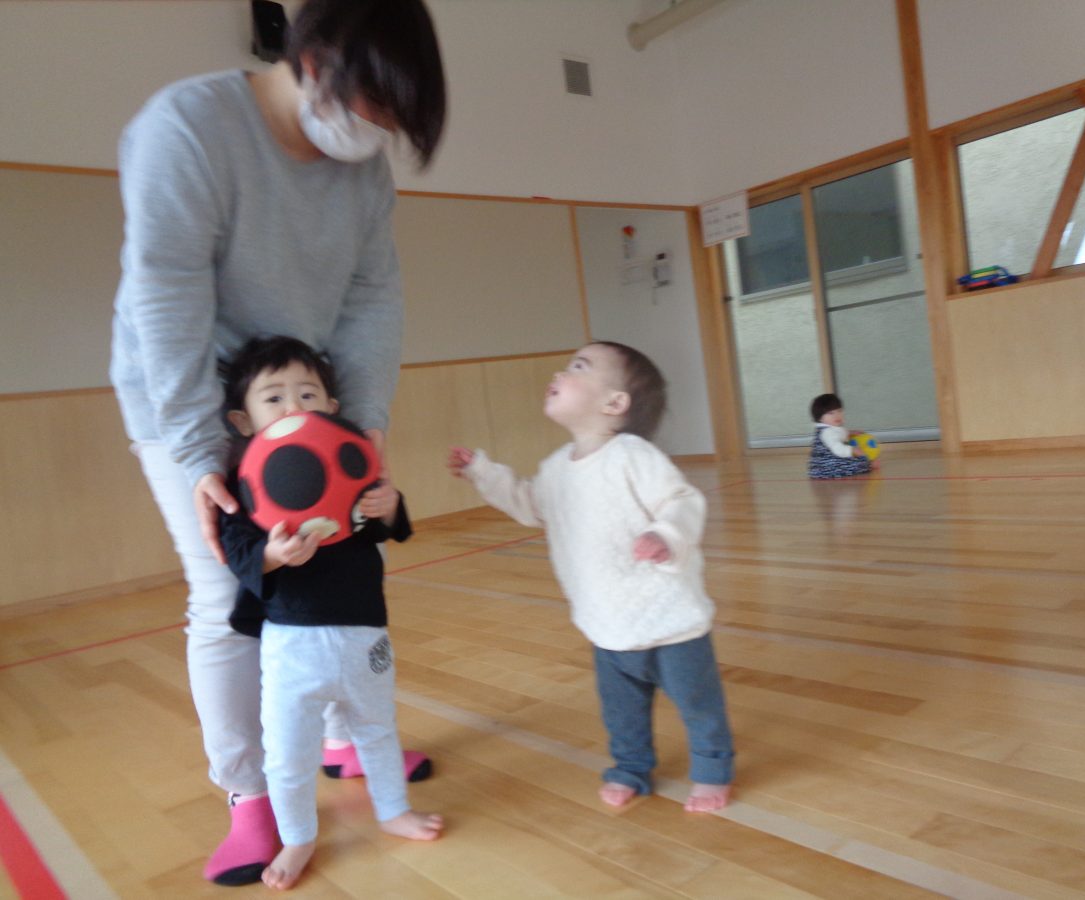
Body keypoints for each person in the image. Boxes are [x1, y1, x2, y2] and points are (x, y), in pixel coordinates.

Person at [108, 0, 446, 885]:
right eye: (371, 106)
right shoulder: (188, 128)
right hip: (191, 400)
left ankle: (344, 740)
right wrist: (197, 454)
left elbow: (373, 295)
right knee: (230, 588)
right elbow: (167, 295)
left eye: (392, 120)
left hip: (302, 403)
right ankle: (249, 794)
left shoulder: (364, 174)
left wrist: (362, 423)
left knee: (333, 556)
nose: (375, 134)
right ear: (317, 61)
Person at [447, 342, 735, 813]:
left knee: (698, 703)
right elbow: (530, 503)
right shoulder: (556, 467)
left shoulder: (633, 455)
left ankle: (712, 770)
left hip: (669, 619)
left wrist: (665, 535)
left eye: (579, 367)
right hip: (607, 622)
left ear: (614, 403)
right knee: (621, 712)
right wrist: (483, 472)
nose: (560, 373)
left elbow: (682, 501)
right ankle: (630, 768)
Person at [218, 336, 442, 890]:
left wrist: (389, 506)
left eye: (307, 393)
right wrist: (272, 555)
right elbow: (238, 550)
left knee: (378, 731)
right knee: (287, 755)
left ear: (332, 408)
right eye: (274, 397)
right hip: (292, 644)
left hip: (365, 636)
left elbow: (388, 528)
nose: (294, 406)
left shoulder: (352, 465)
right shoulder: (242, 484)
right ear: (243, 420)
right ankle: (298, 837)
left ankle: (393, 810)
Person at [808, 393, 876, 479]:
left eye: (839, 411)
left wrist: (849, 432)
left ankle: (868, 463)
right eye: (831, 413)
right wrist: (852, 450)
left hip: (821, 466)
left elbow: (839, 433)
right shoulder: (827, 432)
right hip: (829, 468)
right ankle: (870, 464)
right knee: (858, 463)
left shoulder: (828, 428)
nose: (837, 415)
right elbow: (838, 448)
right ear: (820, 418)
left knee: (854, 459)